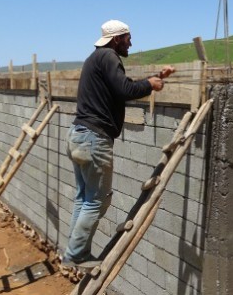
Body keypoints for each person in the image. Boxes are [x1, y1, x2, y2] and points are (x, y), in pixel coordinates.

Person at [62, 19, 175, 268]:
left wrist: (154, 79)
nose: (131, 43)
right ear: (116, 39)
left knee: (84, 198)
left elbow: (121, 86)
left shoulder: (96, 59)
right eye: (128, 38)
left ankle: (72, 253)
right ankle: (77, 254)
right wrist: (151, 85)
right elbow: (125, 90)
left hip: (79, 135)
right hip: (94, 139)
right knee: (97, 200)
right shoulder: (109, 57)